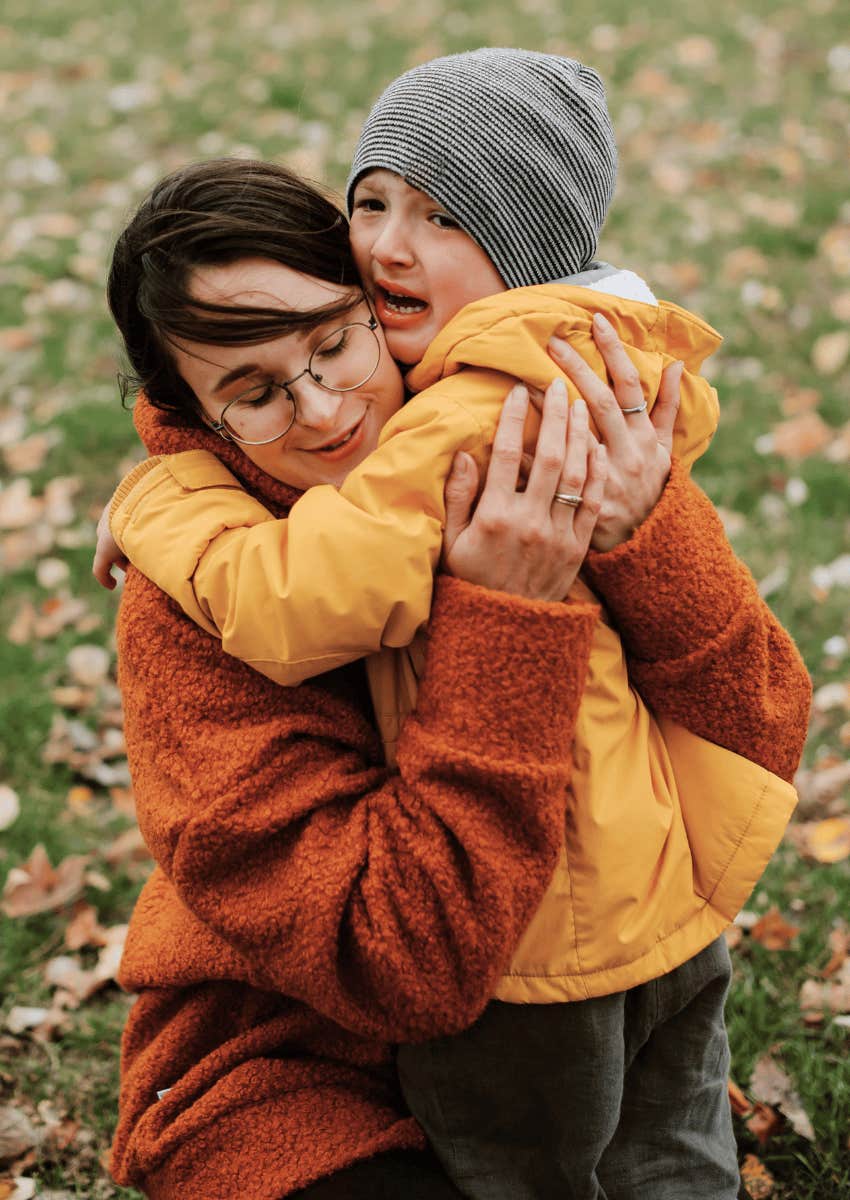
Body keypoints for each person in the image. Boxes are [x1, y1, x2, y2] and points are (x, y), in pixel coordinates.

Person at [98, 52, 811, 1199]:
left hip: (574, 956)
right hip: (308, 1054)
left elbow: (760, 716)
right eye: (254, 391)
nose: (325, 413)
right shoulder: (191, 602)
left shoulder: (535, 440)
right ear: (191, 410)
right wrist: (165, 501)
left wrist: (642, 533)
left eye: (334, 343)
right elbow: (400, 963)